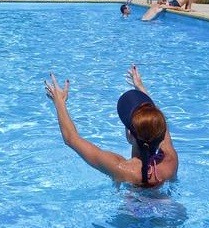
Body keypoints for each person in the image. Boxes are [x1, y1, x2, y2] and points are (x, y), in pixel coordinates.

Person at [44, 64, 178, 188]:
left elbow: (71, 139)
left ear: (130, 135)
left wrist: (59, 101)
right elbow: (158, 122)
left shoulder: (120, 169)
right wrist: (141, 89)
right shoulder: (170, 162)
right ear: (161, 136)